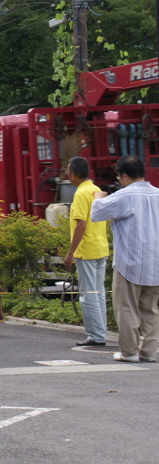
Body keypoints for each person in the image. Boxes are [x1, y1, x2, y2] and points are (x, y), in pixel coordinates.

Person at [90, 155, 159, 363]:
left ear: (125, 175)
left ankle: (129, 352)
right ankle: (149, 352)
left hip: (129, 260)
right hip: (155, 261)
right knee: (151, 309)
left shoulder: (123, 196)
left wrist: (98, 196)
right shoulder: (157, 194)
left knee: (127, 307)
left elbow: (96, 213)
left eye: (119, 176)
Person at [62, 156, 109, 347]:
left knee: (88, 293)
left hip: (86, 249)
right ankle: (100, 332)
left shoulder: (81, 194)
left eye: (67, 170)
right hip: (100, 246)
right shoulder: (96, 190)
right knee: (99, 292)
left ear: (72, 174)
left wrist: (70, 252)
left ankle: (96, 335)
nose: (66, 173)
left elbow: (81, 224)